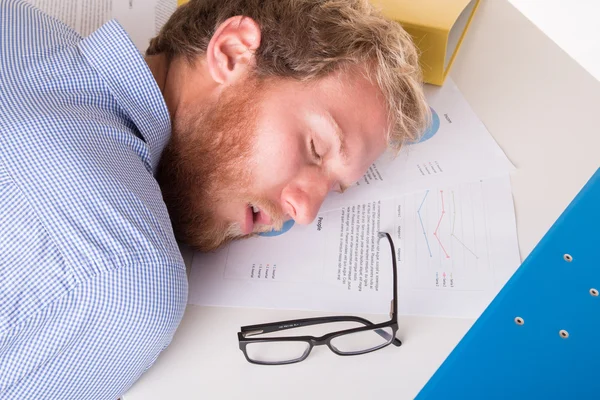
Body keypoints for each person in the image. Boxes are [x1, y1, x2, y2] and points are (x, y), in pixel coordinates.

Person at [0, 0, 429, 398]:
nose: (305, 212)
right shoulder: (128, 279)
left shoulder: (19, 21)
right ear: (231, 52)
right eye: (315, 148)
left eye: (334, 188)